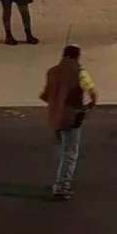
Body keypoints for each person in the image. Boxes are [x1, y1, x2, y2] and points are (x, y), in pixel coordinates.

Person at [41, 43, 97, 201]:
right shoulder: (80, 72)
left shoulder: (51, 72)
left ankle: (58, 179)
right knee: (70, 153)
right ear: (77, 56)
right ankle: (61, 186)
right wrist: (89, 105)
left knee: (61, 149)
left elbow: (46, 95)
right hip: (71, 117)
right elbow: (92, 92)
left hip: (54, 117)